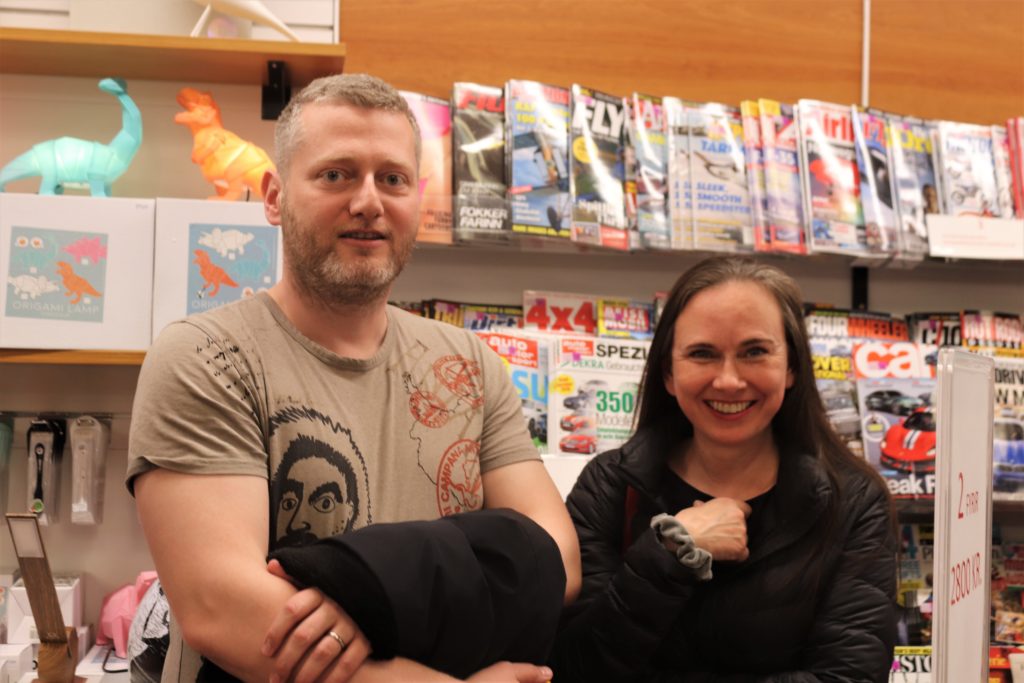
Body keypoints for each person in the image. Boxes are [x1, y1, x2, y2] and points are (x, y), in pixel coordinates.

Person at [127, 73, 580, 683]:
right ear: (273, 197)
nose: (369, 201)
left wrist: (368, 588)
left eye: (392, 179)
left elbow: (556, 559)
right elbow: (224, 611)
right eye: (336, 174)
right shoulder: (207, 358)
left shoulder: (470, 364)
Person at [549, 255, 897, 681]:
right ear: (668, 374)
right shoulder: (610, 486)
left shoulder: (854, 501)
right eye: (702, 354)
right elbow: (571, 668)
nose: (729, 381)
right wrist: (671, 552)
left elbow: (850, 676)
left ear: (791, 367)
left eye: (754, 352)